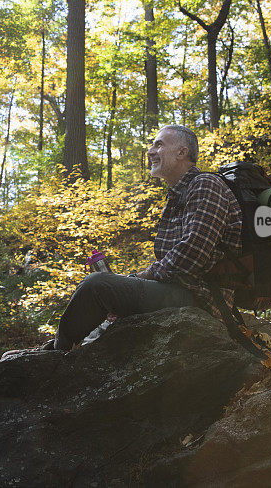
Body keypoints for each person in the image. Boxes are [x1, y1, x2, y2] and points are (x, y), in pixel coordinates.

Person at [52, 124, 243, 351]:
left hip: (202, 299)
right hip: (180, 293)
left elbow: (192, 254)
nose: (150, 151)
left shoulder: (205, 185)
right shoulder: (177, 197)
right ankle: (56, 349)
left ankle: (56, 355)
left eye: (159, 144)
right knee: (107, 305)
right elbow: (175, 262)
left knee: (97, 285)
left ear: (182, 153)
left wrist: (141, 277)